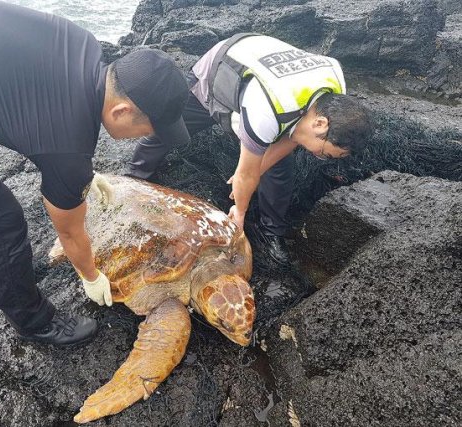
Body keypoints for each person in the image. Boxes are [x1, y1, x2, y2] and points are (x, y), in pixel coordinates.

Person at [0, 0, 189, 345]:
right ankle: (34, 323)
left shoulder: (85, 45)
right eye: (150, 129)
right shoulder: (68, 145)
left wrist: (84, 177)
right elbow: (71, 232)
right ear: (122, 111)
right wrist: (91, 276)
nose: (148, 138)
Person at [127, 33, 372, 266]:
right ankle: (134, 177)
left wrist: (260, 166)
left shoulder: (334, 89)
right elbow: (246, 173)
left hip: (263, 71)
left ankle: (271, 232)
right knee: (170, 126)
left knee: (280, 168)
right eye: (324, 153)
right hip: (222, 71)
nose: (319, 157)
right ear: (320, 124)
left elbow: (294, 137)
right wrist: (240, 211)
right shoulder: (266, 110)